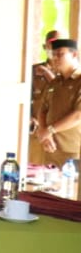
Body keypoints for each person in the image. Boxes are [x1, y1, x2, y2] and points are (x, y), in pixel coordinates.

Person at [34, 37, 81, 167]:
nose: (55, 58)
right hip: (50, 147)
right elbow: (43, 109)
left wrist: (50, 130)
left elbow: (78, 115)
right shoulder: (54, 82)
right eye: (53, 54)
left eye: (60, 54)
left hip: (73, 150)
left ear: (74, 54)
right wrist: (44, 133)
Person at [29, 30, 61, 163]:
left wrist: (48, 74)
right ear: (44, 47)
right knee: (34, 168)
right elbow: (24, 97)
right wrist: (29, 118)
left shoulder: (69, 73)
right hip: (36, 131)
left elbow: (62, 93)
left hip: (58, 133)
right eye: (51, 43)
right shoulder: (33, 71)